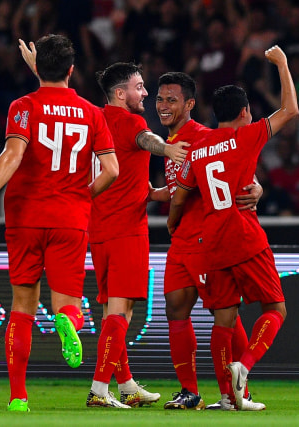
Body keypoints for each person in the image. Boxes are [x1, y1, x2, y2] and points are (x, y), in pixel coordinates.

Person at [0, 34, 119, 413]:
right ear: (72, 70)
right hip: (70, 217)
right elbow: (111, 169)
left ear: (37, 69)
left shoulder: (23, 107)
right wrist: (83, 195)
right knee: (70, 305)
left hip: (25, 217)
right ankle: (66, 320)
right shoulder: (92, 113)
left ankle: (18, 397)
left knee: (22, 306)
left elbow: (12, 155)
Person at [168, 45, 298, 410]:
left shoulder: (199, 145)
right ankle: (245, 366)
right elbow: (290, 110)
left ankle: (227, 396)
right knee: (276, 309)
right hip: (244, 236)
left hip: (211, 241)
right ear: (244, 112)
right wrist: (282, 64)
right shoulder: (249, 135)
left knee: (223, 320)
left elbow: (181, 195)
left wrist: (172, 223)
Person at [152, 72, 264, 411]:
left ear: (189, 104)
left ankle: (236, 392)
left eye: (172, 100)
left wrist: (257, 187)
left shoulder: (202, 135)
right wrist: (150, 194)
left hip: (205, 238)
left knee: (224, 314)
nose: (163, 106)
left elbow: (239, 170)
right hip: (181, 241)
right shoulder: (169, 142)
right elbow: (178, 190)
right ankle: (189, 391)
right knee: (175, 310)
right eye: (160, 99)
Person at [85, 62, 189, 409]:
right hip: (127, 230)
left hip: (97, 230)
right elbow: (146, 140)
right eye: (139, 86)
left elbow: (134, 182)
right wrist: (168, 149)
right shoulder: (132, 122)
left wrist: (159, 192)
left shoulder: (94, 120)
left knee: (112, 314)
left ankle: (126, 385)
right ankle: (100, 390)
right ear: (120, 93)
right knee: (121, 311)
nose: (145, 93)